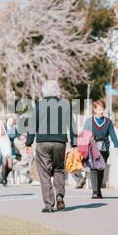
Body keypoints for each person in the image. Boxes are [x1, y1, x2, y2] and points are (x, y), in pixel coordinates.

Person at [25, 80, 78, 213]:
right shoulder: (65, 104)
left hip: (43, 142)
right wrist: (74, 143)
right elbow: (72, 125)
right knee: (59, 169)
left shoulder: (40, 105)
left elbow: (32, 126)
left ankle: (49, 204)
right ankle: (60, 195)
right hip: (60, 142)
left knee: (44, 173)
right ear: (57, 90)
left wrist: (28, 143)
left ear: (44, 91)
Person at [83, 100, 118, 199]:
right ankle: (95, 191)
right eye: (99, 109)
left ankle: (98, 189)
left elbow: (113, 135)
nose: (101, 112)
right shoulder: (89, 121)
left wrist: (117, 148)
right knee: (93, 168)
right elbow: (84, 135)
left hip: (104, 149)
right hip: (92, 148)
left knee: (100, 169)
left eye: (102, 109)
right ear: (95, 110)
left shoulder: (108, 122)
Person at [1, 116, 18, 186]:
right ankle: (4, 179)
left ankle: (4, 176)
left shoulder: (14, 129)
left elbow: (17, 136)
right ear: (7, 121)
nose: (10, 122)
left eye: (12, 121)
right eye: (9, 121)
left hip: (11, 148)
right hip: (4, 147)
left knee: (10, 166)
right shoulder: (3, 128)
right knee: (4, 164)